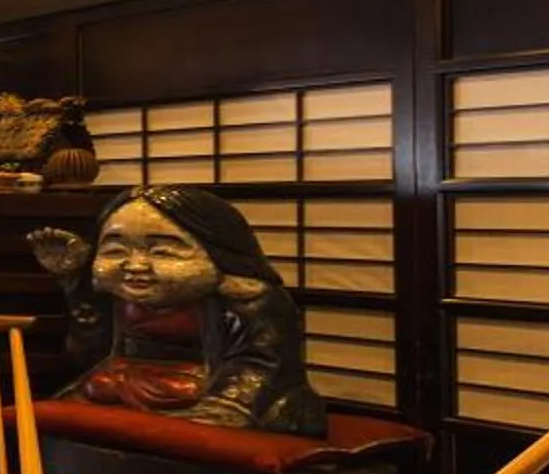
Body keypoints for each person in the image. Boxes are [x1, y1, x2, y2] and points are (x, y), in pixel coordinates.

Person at [29, 185, 326, 435]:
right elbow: (88, 352)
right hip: (126, 377)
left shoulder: (249, 298)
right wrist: (76, 283)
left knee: (179, 390)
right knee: (99, 385)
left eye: (163, 252)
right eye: (116, 251)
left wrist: (228, 404)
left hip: (205, 383)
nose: (136, 266)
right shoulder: (116, 297)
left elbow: (263, 364)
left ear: (218, 251)